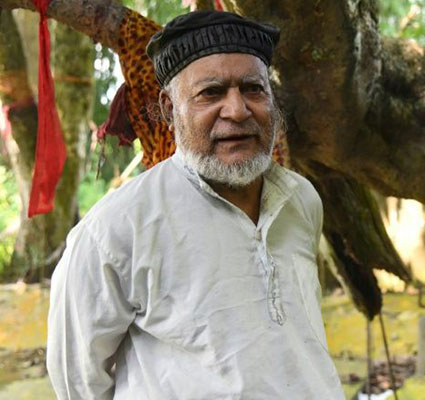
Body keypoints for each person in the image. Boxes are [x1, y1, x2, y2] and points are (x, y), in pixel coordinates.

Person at [46, 11, 344, 399]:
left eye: (253, 89)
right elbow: (78, 382)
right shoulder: (115, 230)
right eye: (211, 92)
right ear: (169, 109)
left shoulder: (301, 199)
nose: (237, 110)